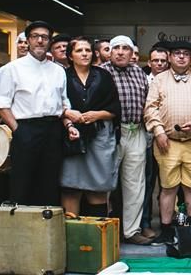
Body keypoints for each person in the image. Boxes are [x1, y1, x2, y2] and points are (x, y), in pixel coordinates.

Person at [0, 20, 77, 207]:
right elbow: (1, 104)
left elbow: (63, 102)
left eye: (44, 37)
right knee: (22, 181)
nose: (40, 41)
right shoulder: (12, 69)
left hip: (53, 129)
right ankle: (21, 228)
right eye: (35, 37)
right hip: (25, 128)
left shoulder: (58, 70)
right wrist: (17, 130)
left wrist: (69, 124)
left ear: (49, 42)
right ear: (28, 40)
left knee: (49, 181)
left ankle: (46, 227)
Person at [144, 40, 191, 244]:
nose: (182, 56)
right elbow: (151, 107)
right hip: (167, 141)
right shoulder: (159, 80)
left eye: (186, 53)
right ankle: (166, 230)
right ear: (170, 57)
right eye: (177, 53)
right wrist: (158, 131)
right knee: (168, 188)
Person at [101, 35, 155, 245]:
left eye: (125, 48)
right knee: (104, 183)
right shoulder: (101, 72)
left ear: (133, 53)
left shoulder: (140, 73)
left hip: (136, 132)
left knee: (135, 184)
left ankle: (131, 230)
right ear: (110, 51)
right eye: (116, 48)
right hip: (110, 132)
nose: (121, 52)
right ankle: (102, 228)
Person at [60, 37, 121, 217]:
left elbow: (115, 108)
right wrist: (68, 116)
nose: (84, 54)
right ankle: (72, 236)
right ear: (70, 55)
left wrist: (97, 114)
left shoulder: (103, 75)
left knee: (98, 186)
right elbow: (54, 105)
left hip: (99, 135)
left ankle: (95, 237)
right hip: (72, 136)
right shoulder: (62, 76)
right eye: (79, 51)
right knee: (70, 186)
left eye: (87, 50)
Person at [141, 42, 171, 235]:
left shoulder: (174, 81)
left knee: (171, 186)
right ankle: (146, 224)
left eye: (162, 61)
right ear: (149, 62)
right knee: (147, 184)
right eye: (155, 61)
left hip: (171, 140)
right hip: (146, 138)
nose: (159, 64)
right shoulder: (142, 79)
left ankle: (175, 224)